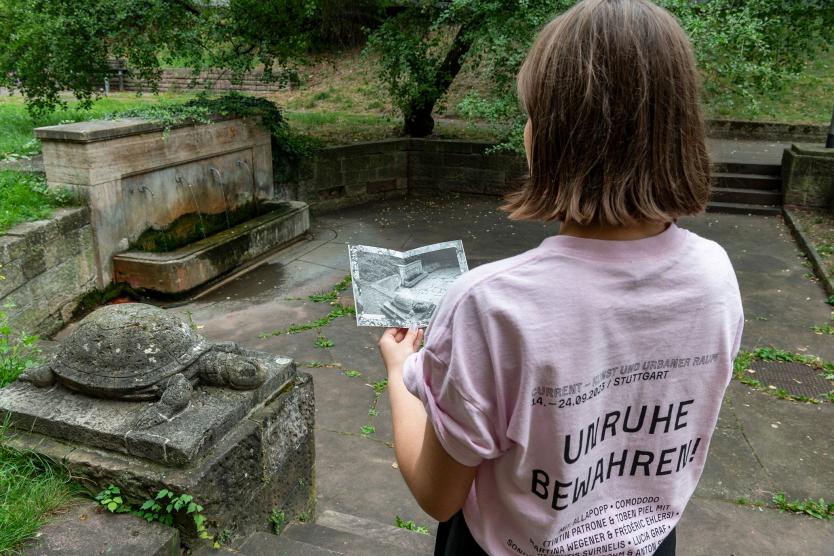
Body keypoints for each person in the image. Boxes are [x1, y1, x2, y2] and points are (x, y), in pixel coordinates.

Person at [377, 1, 744, 554]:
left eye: (531, 113)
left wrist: (402, 373)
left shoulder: (490, 303)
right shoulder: (716, 274)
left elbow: (438, 495)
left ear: (555, 135)